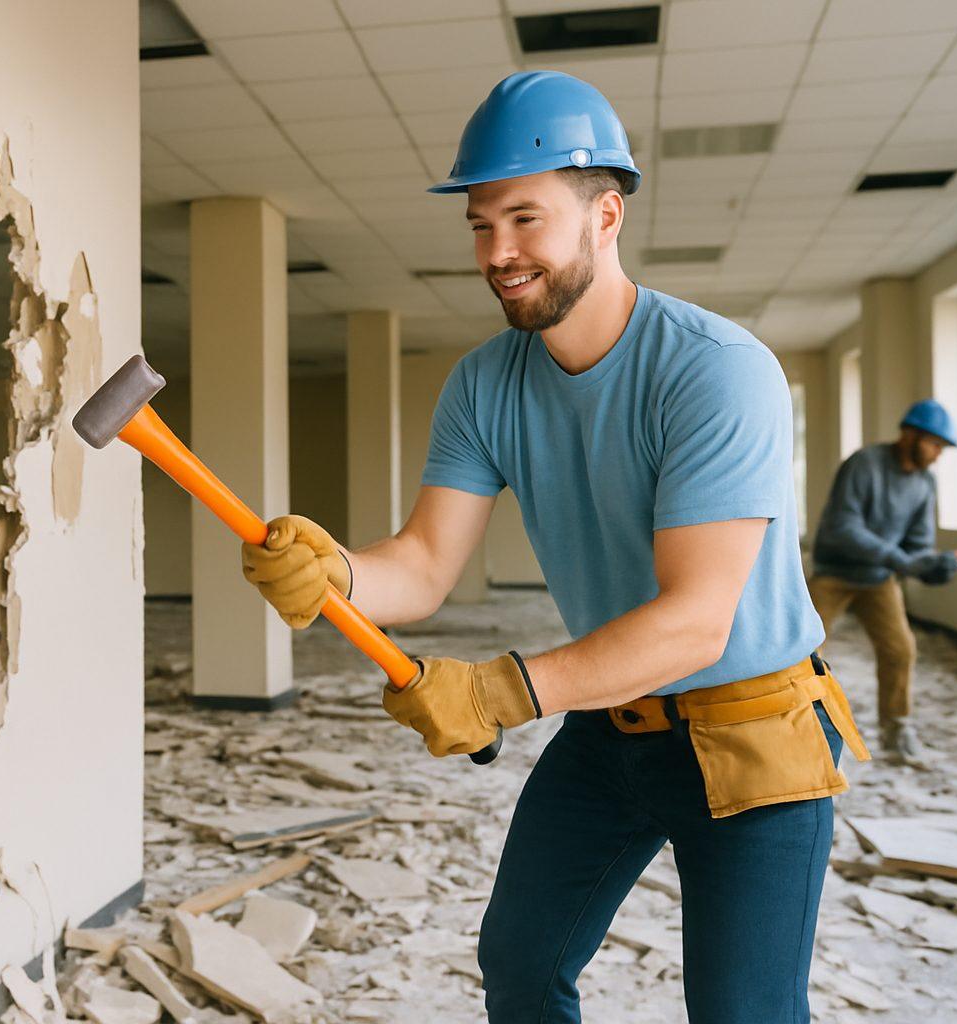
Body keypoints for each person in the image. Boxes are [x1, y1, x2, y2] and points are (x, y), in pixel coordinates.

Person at [239, 72, 869, 1023]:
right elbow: (424, 564)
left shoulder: (716, 372)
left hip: (754, 732)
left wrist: (499, 692)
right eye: (481, 226)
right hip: (612, 723)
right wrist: (338, 573)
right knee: (521, 964)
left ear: (605, 216)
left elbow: (695, 624)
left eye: (525, 220)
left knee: (743, 1010)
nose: (498, 253)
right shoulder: (483, 383)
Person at [807, 400, 957, 769]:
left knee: (900, 649)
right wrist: (902, 560)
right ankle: (806, 726)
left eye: (942, 447)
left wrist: (929, 566)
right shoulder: (864, 464)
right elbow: (844, 527)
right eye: (934, 444)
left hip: (878, 577)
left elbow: (918, 543)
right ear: (909, 434)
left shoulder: (924, 483)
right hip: (834, 572)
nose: (938, 454)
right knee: (806, 650)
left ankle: (896, 728)